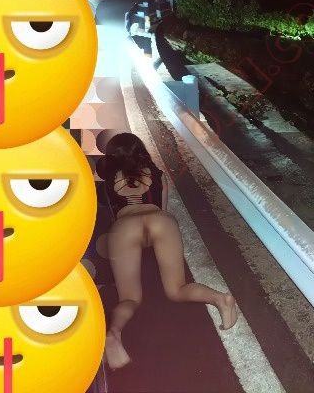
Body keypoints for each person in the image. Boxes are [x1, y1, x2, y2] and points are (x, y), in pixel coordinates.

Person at [101, 132, 237, 369]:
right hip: (160, 222)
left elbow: (113, 213)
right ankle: (219, 298)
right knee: (177, 288)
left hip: (125, 226)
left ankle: (114, 333)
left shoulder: (108, 180)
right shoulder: (158, 175)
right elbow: (162, 207)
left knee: (130, 297)